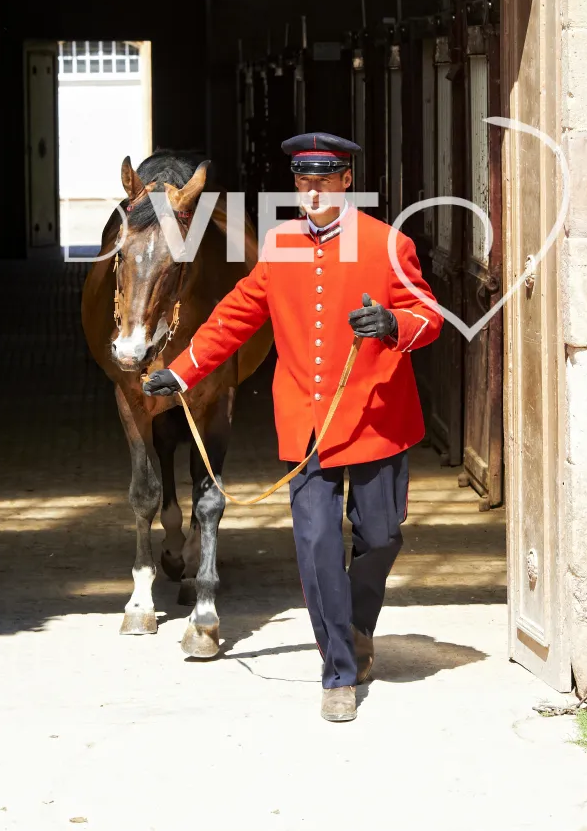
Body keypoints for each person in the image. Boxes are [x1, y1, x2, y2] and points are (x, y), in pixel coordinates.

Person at [143, 132, 443, 722]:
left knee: (381, 536)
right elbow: (234, 315)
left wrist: (392, 323)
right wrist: (181, 372)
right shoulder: (280, 246)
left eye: (324, 179)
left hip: (377, 418)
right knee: (316, 546)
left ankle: (356, 626)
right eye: (303, 181)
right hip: (307, 424)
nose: (313, 190)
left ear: (346, 182)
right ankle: (338, 671)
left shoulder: (389, 244)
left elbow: (429, 315)